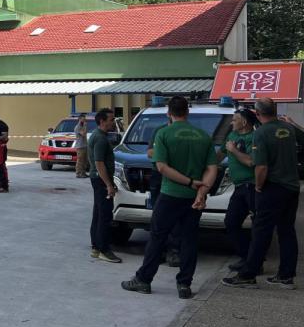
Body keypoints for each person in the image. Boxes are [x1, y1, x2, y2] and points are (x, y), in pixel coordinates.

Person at [122, 96, 217, 299]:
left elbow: (162, 167)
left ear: (169, 113)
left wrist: (190, 183)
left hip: (170, 195)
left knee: (157, 237)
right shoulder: (203, 136)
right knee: (189, 240)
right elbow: (212, 168)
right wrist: (201, 191)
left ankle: (144, 280)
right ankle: (184, 285)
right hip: (194, 198)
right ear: (188, 112)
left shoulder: (164, 134)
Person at [223, 99, 304, 289]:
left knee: (260, 232)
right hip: (291, 188)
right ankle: (286, 276)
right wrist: (293, 123)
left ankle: (248, 275)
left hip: (271, 188)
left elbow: (261, 166)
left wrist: (258, 186)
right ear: (275, 111)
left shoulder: (261, 133)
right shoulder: (287, 128)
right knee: (287, 231)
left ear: (257, 114)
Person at [223, 108, 259, 271]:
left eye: (234, 119)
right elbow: (220, 154)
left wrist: (233, 150)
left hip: (251, 185)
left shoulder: (255, 138)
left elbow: (251, 162)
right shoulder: (232, 136)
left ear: (244, 123)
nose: (232, 122)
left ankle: (255, 262)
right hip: (239, 187)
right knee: (231, 222)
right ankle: (247, 257)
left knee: (258, 225)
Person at [88, 108, 122, 263]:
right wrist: (109, 184)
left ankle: (96, 247)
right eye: (110, 119)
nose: (113, 122)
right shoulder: (100, 139)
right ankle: (103, 249)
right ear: (102, 121)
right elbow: (99, 163)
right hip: (101, 180)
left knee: (98, 213)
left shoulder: (99, 135)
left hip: (98, 179)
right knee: (105, 215)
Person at [148, 118, 180, 268]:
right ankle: (158, 252)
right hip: (158, 176)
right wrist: (166, 150)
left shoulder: (184, 133)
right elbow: (149, 152)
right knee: (158, 215)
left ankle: (174, 251)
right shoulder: (159, 131)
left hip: (177, 176)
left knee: (175, 217)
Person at [73, 113, 90, 179]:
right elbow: (83, 134)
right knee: (80, 160)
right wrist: (85, 126)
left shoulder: (82, 126)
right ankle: (78, 173)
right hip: (80, 146)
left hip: (85, 145)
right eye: (84, 118)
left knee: (85, 160)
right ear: (80, 119)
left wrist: (85, 126)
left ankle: (83, 173)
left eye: (85, 118)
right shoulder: (77, 127)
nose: (85, 119)